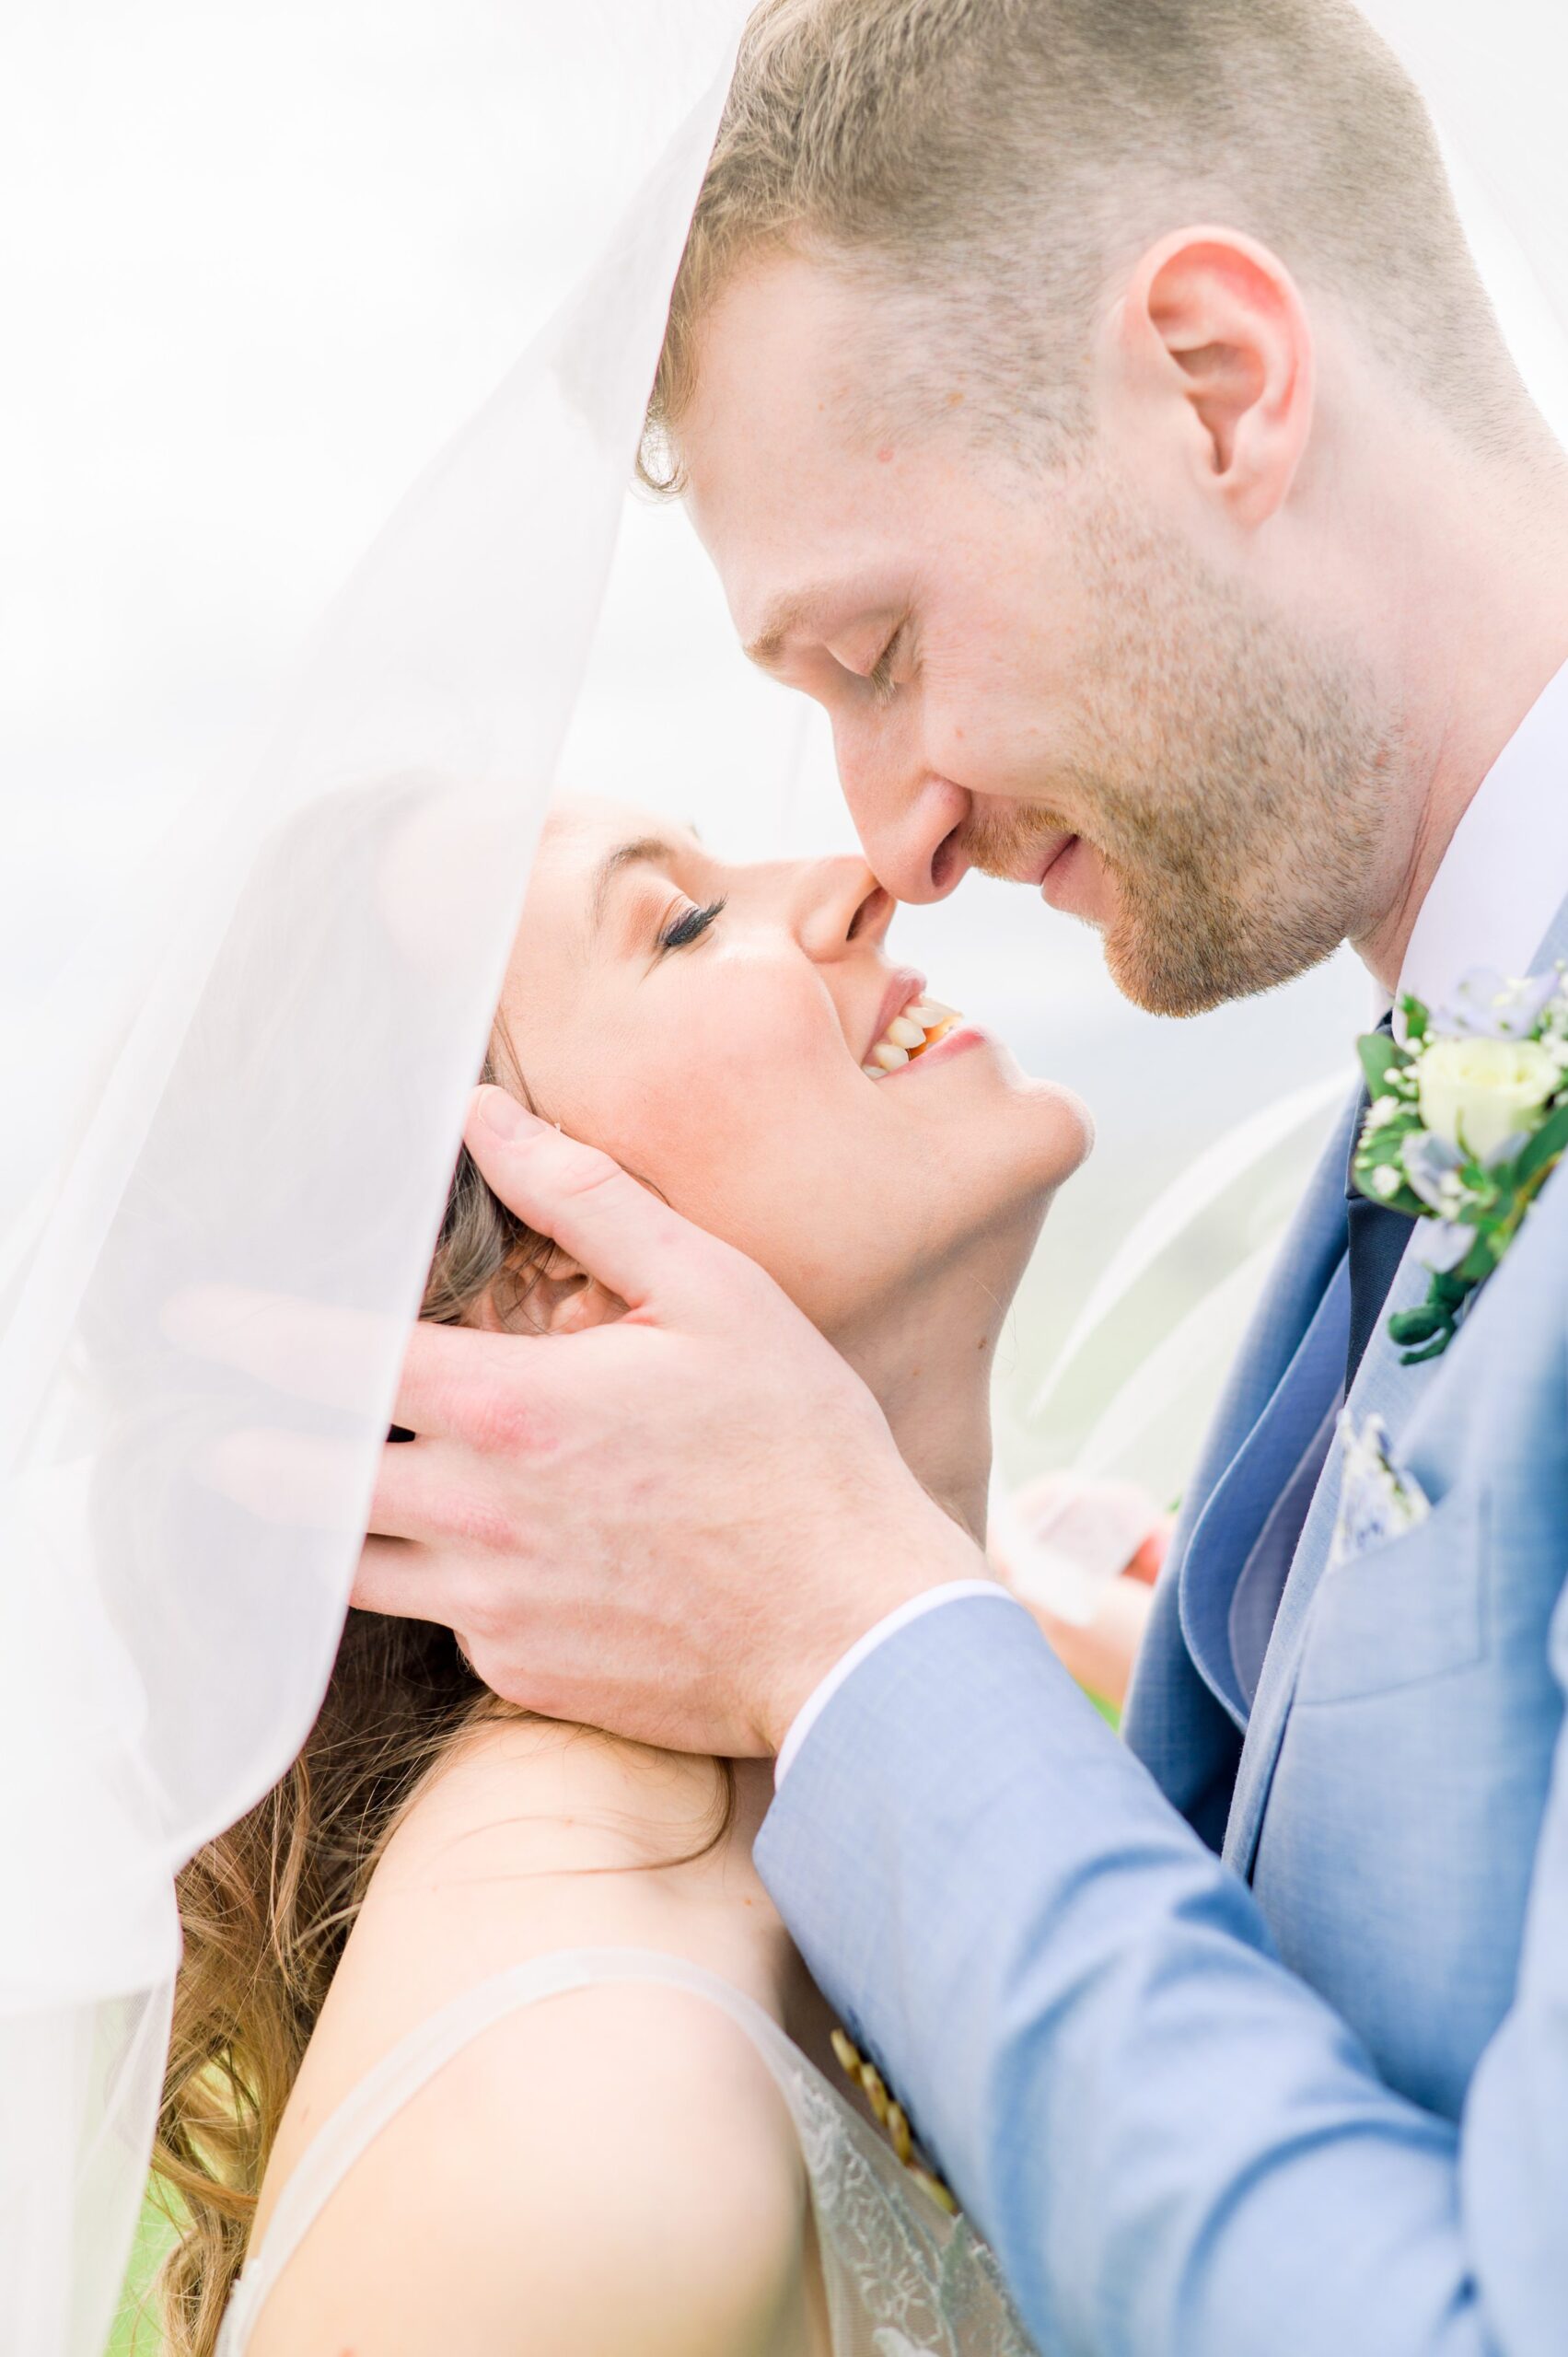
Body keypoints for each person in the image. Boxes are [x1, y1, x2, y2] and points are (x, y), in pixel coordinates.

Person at [349, 5, 1568, 2353]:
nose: (893, 832)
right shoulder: (1433, 1099)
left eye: (887, 649)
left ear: (1217, 381)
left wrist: (845, 1625)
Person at [158, 794, 1090, 2356]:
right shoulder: (585, 2131)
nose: (865, 877)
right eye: (676, 922)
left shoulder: (784, 1875)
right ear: (541, 1289)